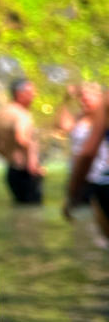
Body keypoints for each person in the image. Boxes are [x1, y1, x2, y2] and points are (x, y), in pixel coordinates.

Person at [64, 83, 109, 240]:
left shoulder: (105, 106)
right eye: (81, 96)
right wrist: (65, 101)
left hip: (97, 178)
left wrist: (72, 194)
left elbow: (87, 154)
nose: (84, 100)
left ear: (99, 96)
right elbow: (61, 126)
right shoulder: (79, 117)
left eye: (88, 95)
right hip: (88, 177)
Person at [0, 78, 46, 204]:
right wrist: (33, 164)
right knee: (33, 213)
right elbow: (21, 138)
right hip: (26, 172)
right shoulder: (21, 114)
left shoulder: (4, 113)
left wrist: (8, 156)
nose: (34, 96)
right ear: (19, 93)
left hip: (12, 171)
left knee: (21, 208)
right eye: (30, 92)